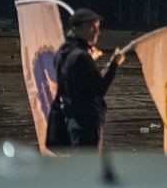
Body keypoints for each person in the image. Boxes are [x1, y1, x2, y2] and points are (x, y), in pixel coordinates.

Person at [49, 9, 123, 149]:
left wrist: (90, 59)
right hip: (84, 125)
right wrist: (113, 63)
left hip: (66, 122)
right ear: (83, 28)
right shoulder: (81, 57)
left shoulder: (61, 53)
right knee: (85, 166)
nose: (98, 32)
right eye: (94, 28)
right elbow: (99, 89)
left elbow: (72, 80)